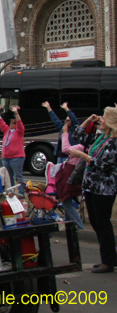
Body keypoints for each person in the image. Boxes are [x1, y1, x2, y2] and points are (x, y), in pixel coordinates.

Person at [68, 107, 117, 273]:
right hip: (91, 186)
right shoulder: (102, 137)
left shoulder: (114, 142)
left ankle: (108, 261)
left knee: (103, 223)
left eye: (104, 117)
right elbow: (78, 135)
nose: (101, 119)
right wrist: (89, 120)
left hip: (104, 188)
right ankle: (108, 257)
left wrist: (83, 156)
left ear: (111, 122)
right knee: (96, 223)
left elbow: (105, 165)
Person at [56, 124, 86, 230]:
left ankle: (80, 226)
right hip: (73, 176)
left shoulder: (81, 147)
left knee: (66, 202)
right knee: (67, 201)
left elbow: (65, 149)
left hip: (71, 176)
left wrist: (65, 133)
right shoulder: (86, 146)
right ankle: (68, 226)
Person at [0, 105, 25, 194]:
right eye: (11, 122)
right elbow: (1, 122)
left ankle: (21, 192)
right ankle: (11, 191)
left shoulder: (19, 131)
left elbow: (20, 123)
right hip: (6, 157)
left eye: (14, 123)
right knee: (8, 176)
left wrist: (16, 113)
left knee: (18, 176)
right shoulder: (7, 130)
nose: (12, 124)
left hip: (16, 157)